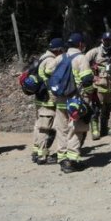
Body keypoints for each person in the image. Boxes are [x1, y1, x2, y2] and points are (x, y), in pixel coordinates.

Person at [43, 32, 94, 173]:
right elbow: (87, 80)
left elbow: (47, 72)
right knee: (76, 129)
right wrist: (89, 92)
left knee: (62, 129)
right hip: (75, 100)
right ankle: (72, 161)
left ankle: (62, 160)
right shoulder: (81, 58)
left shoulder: (60, 57)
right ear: (81, 44)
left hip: (60, 100)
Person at [32, 38, 62, 165]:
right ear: (58, 50)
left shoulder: (43, 57)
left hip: (40, 98)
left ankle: (36, 151)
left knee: (40, 125)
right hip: (48, 100)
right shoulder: (51, 60)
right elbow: (53, 75)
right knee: (45, 128)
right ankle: (42, 156)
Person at [84, 32, 111, 139]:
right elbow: (83, 63)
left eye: (109, 40)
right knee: (96, 108)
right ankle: (95, 130)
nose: (107, 42)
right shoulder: (94, 52)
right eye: (106, 40)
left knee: (107, 108)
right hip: (98, 84)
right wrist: (91, 73)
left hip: (110, 84)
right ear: (102, 40)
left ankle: (104, 129)